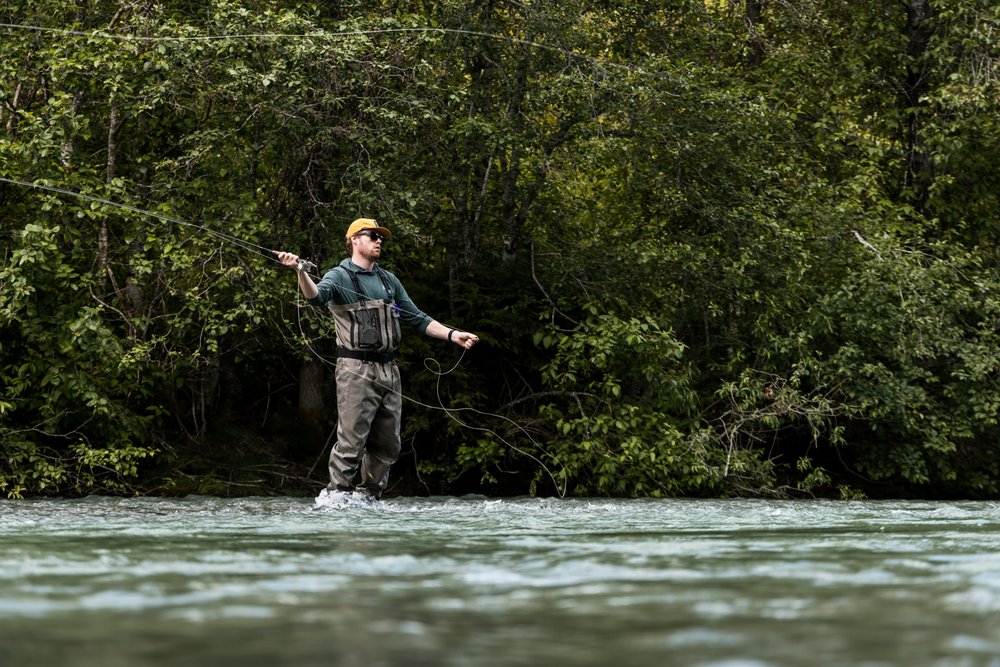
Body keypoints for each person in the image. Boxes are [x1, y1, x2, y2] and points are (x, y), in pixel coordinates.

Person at [275, 218, 479, 504]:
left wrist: (452, 334)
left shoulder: (388, 280)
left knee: (388, 443)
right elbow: (317, 297)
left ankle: (369, 495)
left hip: (388, 370)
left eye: (380, 237)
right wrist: (300, 271)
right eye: (372, 235)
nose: (378, 240)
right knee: (351, 440)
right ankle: (337, 496)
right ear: (354, 240)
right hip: (355, 369)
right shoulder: (340, 275)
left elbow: (418, 318)